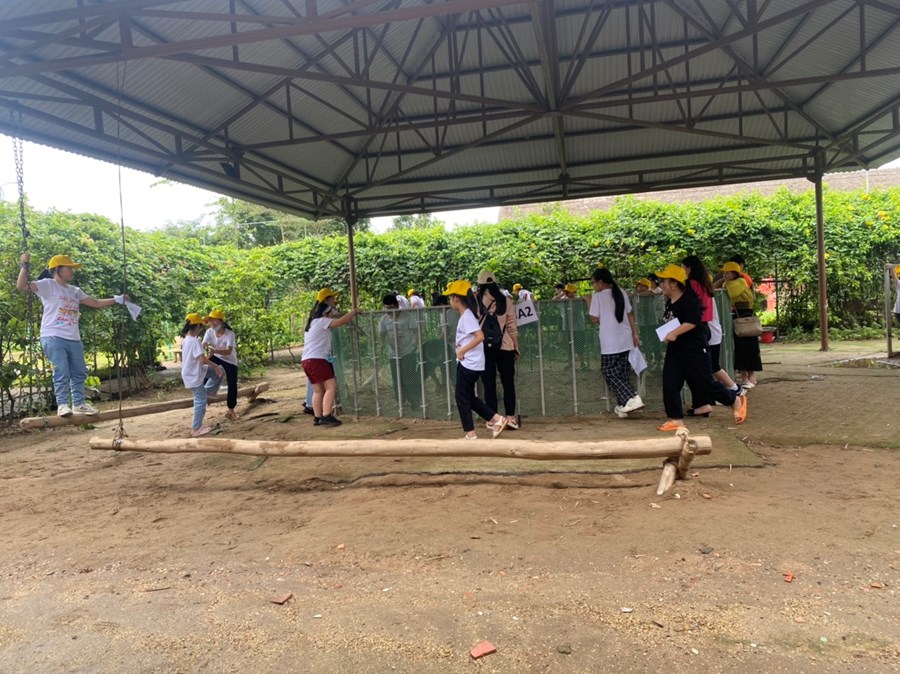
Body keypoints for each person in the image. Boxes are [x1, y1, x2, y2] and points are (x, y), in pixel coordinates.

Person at [16, 253, 128, 417]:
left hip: (73, 338)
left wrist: (118, 299)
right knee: (61, 370)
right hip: (53, 336)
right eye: (69, 268)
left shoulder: (75, 291)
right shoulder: (47, 285)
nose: (72, 271)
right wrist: (24, 266)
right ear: (58, 269)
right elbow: (22, 286)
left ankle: (79, 403)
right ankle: (62, 405)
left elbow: (95, 303)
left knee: (79, 372)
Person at [654, 264, 747, 432]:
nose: (661, 284)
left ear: (674, 284)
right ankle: (676, 419)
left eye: (663, 281)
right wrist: (669, 334)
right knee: (670, 382)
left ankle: (734, 400)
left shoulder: (688, 300)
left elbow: (693, 321)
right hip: (676, 350)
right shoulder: (670, 302)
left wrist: (674, 333)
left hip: (694, 349)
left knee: (705, 383)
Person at [444, 279, 508, 440]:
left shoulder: (467, 316)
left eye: (451, 297)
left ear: (456, 298)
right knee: (468, 397)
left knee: (462, 397)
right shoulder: (468, 315)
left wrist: (462, 351)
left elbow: (480, 336)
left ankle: (471, 434)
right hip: (470, 362)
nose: (450, 300)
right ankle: (496, 420)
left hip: (469, 363)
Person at [682, 256, 742, 417]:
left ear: (689, 268)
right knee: (706, 369)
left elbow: (700, 313)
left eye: (683, 268)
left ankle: (732, 394)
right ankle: (706, 402)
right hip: (710, 330)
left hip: (704, 331)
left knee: (707, 370)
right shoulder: (704, 284)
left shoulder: (693, 284)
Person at [586, 268, 643, 418]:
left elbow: (594, 318)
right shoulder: (621, 292)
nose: (593, 285)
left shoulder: (597, 297)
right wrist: (634, 333)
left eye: (593, 282)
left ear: (600, 282)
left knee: (608, 371)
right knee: (622, 373)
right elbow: (629, 315)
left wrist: (588, 301)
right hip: (625, 338)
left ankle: (632, 397)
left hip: (610, 341)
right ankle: (623, 405)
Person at [302, 288, 358, 427]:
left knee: (318, 390)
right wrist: (354, 312)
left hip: (307, 360)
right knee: (331, 387)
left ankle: (317, 417)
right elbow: (341, 321)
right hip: (317, 359)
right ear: (326, 312)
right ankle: (327, 415)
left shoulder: (311, 323)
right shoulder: (322, 321)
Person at [477, 270, 519, 430]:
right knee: (508, 382)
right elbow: (512, 325)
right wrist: (516, 346)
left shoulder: (476, 301)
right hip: (506, 346)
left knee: (489, 383)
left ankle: (493, 419)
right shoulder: (506, 300)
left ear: (479, 284)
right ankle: (510, 417)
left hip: (484, 347)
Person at [180, 312, 225, 437]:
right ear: (197, 326)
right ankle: (196, 429)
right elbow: (202, 359)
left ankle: (209, 391)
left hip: (195, 370)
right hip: (193, 374)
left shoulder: (187, 340)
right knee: (200, 401)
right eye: (201, 327)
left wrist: (216, 368)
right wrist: (215, 365)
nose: (201, 329)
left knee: (219, 372)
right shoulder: (194, 341)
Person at [720, 261, 762, 388]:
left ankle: (751, 374)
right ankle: (744, 376)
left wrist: (724, 282)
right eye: (724, 273)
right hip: (737, 314)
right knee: (740, 347)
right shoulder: (728, 283)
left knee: (752, 346)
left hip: (746, 313)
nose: (725, 275)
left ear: (734, 273)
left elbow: (731, 293)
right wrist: (723, 280)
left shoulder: (741, 281)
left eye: (727, 273)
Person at [380, 294, 422, 414]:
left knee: (409, 379)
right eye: (386, 308)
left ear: (397, 306)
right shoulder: (384, 320)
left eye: (391, 308)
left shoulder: (407, 316)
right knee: (396, 380)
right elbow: (382, 334)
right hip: (393, 354)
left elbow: (416, 330)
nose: (389, 311)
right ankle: (401, 403)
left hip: (408, 352)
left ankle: (415, 403)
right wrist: (382, 345)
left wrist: (416, 344)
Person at [201, 309, 240, 421]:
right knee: (203, 370)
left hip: (230, 360)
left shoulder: (230, 334)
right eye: (210, 321)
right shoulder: (209, 332)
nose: (212, 323)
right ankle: (204, 394)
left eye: (214, 321)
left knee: (232, 384)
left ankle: (231, 410)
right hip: (216, 356)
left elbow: (228, 351)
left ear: (221, 321)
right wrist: (197, 353)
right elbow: (203, 345)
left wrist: (215, 351)